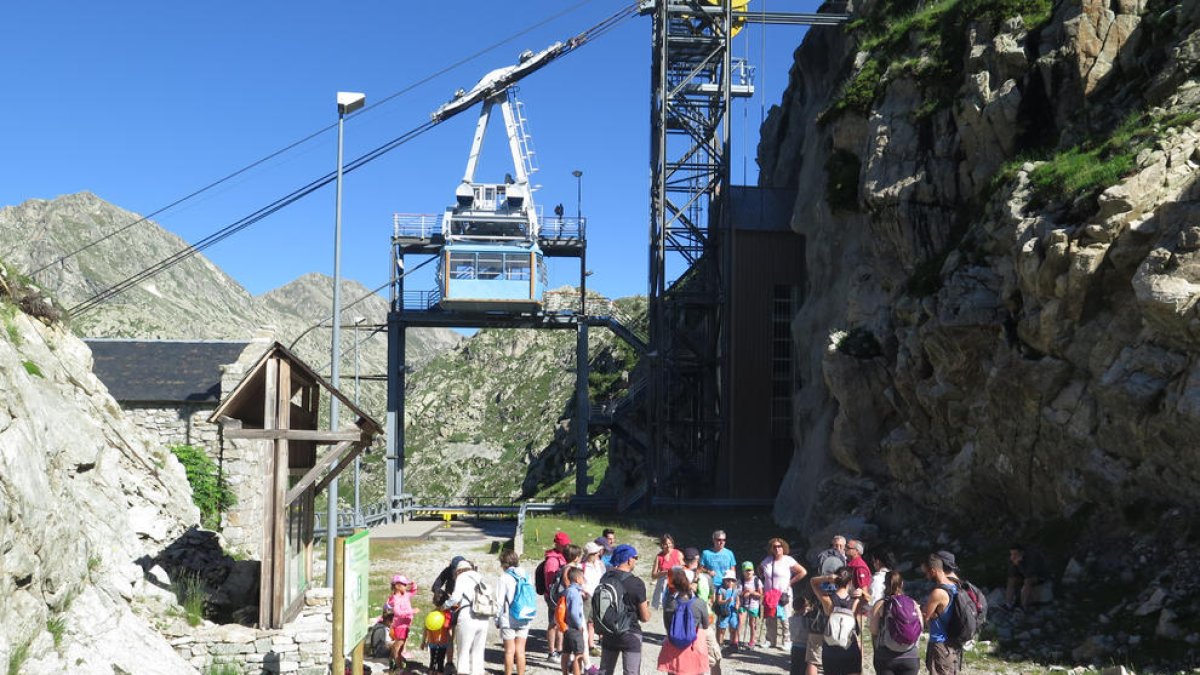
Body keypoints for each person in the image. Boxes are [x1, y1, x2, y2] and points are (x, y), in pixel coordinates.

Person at [597, 544, 650, 675]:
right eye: (635, 557)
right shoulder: (636, 583)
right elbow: (645, 617)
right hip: (630, 633)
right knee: (631, 672)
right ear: (629, 559)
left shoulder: (605, 578)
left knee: (605, 671)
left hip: (609, 631)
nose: (635, 561)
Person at [809, 568, 862, 675]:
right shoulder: (855, 601)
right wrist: (861, 591)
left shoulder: (827, 599)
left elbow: (813, 582)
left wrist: (827, 578)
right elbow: (870, 599)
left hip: (830, 649)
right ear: (850, 582)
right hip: (850, 647)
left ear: (835, 580)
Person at [657, 568, 710, 675]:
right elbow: (705, 625)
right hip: (694, 645)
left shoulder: (669, 603)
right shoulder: (700, 603)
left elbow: (667, 626)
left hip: (674, 644)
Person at [442, 559, 490, 675]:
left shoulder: (462, 577)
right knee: (478, 651)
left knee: (463, 650)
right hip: (484, 616)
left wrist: (444, 606)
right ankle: (478, 672)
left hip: (468, 616)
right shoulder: (479, 576)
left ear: (458, 571)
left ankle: (463, 672)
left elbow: (455, 598)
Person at [868, 570, 920, 675]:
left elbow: (873, 630)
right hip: (910, 656)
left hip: (886, 657)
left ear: (885, 584)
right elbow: (921, 626)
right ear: (902, 584)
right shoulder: (912, 603)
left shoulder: (880, 604)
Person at [761, 537, 806, 651]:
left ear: (783, 547)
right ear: (771, 548)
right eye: (774, 547)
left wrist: (790, 582)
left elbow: (802, 572)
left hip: (783, 594)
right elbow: (760, 570)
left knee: (785, 618)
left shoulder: (788, 560)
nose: (777, 549)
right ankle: (770, 640)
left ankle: (787, 641)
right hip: (770, 594)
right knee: (770, 618)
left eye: (779, 546)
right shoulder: (767, 560)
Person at [922, 554, 960, 675]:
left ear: (933, 571)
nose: (926, 576)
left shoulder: (938, 592)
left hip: (939, 644)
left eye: (926, 573)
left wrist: (921, 610)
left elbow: (925, 618)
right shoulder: (956, 586)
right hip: (954, 644)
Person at [498, 550, 532, 675]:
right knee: (521, 651)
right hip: (525, 615)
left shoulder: (504, 577)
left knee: (509, 651)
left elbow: (499, 601)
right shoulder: (526, 575)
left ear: (503, 563)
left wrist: (497, 619)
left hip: (508, 617)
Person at [544, 532, 571, 660]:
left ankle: (559, 650)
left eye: (567, 544)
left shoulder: (562, 557)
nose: (566, 546)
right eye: (564, 545)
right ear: (557, 544)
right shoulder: (552, 561)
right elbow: (549, 582)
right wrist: (552, 597)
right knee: (553, 623)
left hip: (561, 596)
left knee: (561, 622)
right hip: (553, 597)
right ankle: (551, 652)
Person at [582, 541, 608, 663]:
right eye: (597, 552)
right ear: (591, 554)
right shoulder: (582, 566)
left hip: (597, 595)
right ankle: (584, 645)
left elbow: (603, 577)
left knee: (592, 622)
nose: (599, 553)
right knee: (584, 622)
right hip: (586, 596)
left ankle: (591, 645)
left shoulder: (600, 564)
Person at [1005, 543, 1050, 611]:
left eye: (1015, 554)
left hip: (1039, 576)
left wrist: (1019, 564)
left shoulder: (1032, 557)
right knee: (1011, 580)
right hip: (1025, 575)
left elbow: (1029, 574)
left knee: (1028, 581)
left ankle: (1023, 606)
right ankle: (1008, 604)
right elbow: (1012, 574)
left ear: (1021, 553)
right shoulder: (1014, 558)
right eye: (1012, 554)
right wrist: (1014, 565)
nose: (1013, 556)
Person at [385, 574, 418, 667]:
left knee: (401, 647)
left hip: (405, 625)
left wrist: (413, 585)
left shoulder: (405, 595)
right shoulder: (395, 599)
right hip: (400, 626)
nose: (406, 586)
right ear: (397, 586)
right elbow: (398, 612)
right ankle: (397, 665)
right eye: (404, 585)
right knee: (398, 646)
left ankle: (395, 663)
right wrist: (411, 611)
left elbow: (413, 592)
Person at [563, 567, 588, 675]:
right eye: (582, 577)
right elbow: (574, 612)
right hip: (574, 627)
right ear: (577, 579)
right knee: (579, 654)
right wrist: (579, 625)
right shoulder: (575, 593)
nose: (584, 579)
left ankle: (564, 672)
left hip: (566, 626)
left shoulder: (567, 591)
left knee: (566, 652)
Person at [651, 534, 682, 611]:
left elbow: (684, 568)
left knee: (677, 607)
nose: (668, 546)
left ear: (672, 543)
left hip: (676, 583)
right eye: (665, 544)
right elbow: (653, 575)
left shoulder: (678, 553)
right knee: (666, 608)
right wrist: (664, 573)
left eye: (669, 543)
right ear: (662, 545)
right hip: (663, 585)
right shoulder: (659, 557)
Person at [737, 561, 762, 649]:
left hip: (754, 605)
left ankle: (752, 641)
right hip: (743, 604)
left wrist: (751, 592)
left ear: (753, 571)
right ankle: (736, 640)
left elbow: (761, 594)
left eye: (750, 570)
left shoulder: (757, 581)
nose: (748, 572)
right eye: (746, 570)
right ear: (743, 572)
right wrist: (744, 592)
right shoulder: (741, 581)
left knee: (752, 623)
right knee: (740, 622)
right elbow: (738, 593)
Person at [714, 570, 740, 651]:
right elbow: (719, 601)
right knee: (722, 628)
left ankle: (733, 643)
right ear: (724, 580)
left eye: (732, 580)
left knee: (734, 627)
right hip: (724, 612)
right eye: (728, 580)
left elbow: (737, 599)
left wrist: (737, 605)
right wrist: (726, 601)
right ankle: (720, 643)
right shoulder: (721, 589)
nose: (730, 582)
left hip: (733, 612)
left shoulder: (735, 590)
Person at [421, 609, 453, 674]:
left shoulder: (431, 614)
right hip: (442, 642)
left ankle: (431, 672)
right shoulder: (446, 615)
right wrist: (450, 641)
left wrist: (423, 641)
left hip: (432, 642)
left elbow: (426, 629)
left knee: (433, 660)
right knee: (440, 662)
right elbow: (449, 630)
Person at [845, 540, 873, 605]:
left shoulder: (859, 567)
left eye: (848, 547)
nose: (845, 549)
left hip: (854, 606)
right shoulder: (851, 564)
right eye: (845, 546)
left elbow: (864, 593)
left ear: (857, 551)